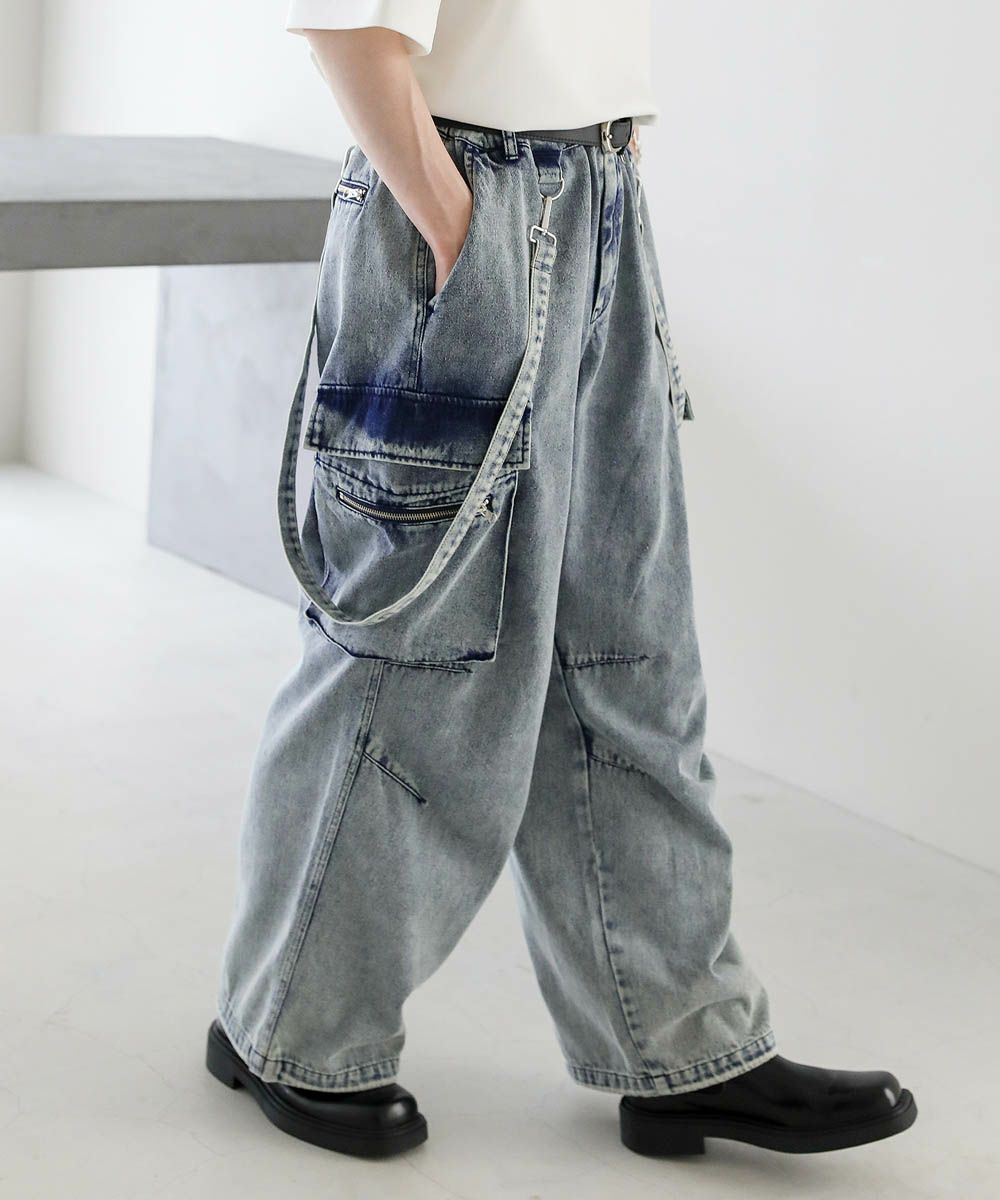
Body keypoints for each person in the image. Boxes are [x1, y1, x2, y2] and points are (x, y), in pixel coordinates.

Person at [206, 0, 917, 1161]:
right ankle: (289, 1024)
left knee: (626, 654)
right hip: (470, 207)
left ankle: (678, 1043)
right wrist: (457, 227)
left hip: (600, 197)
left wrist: (590, 186)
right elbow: (347, 23)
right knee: (412, 654)